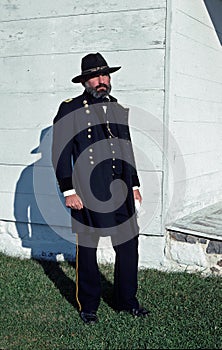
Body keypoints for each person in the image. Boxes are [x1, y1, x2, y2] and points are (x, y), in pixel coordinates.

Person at [52, 52, 149, 324]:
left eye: (105, 75)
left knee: (129, 246)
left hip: (121, 190)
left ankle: (127, 300)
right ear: (85, 81)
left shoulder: (117, 107)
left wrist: (135, 185)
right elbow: (61, 152)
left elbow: (127, 149)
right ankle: (89, 306)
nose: (101, 80)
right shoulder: (70, 109)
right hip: (87, 191)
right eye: (95, 76)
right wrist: (68, 190)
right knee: (88, 249)